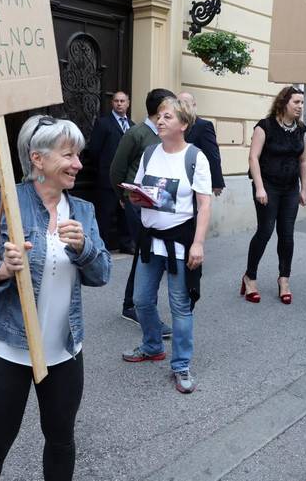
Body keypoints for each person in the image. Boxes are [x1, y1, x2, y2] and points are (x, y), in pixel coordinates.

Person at [0, 115, 111, 481]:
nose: (77, 163)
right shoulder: (2, 201)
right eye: (68, 154)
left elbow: (103, 273)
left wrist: (85, 248)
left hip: (64, 352)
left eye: (78, 155)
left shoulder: (84, 212)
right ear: (37, 159)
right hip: (6, 350)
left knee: (61, 442)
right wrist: (1, 271)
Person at [121, 97, 212, 394]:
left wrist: (198, 243)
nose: (160, 121)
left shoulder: (195, 158)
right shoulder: (149, 153)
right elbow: (140, 189)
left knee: (180, 306)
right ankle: (152, 346)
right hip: (150, 240)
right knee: (141, 300)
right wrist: (136, 196)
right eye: (159, 116)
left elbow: (204, 204)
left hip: (180, 242)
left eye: (168, 117)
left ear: (183, 124)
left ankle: (181, 364)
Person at [109, 88, 175, 335]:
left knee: (143, 254)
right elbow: (116, 169)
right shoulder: (136, 133)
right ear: (159, 109)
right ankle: (144, 310)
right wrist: (123, 198)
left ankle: (132, 305)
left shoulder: (165, 134)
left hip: (159, 204)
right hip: (137, 203)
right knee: (149, 255)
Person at [241, 86, 306, 304]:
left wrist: (304, 188)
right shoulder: (265, 126)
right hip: (268, 185)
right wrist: (259, 187)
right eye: (296, 102)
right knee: (265, 230)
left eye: (301, 103)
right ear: (284, 103)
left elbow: (303, 160)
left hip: (290, 188)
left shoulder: (300, 129)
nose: (300, 107)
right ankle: (250, 277)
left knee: (287, 234)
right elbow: (253, 158)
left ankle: (284, 279)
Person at [88, 91, 134, 253]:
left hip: (127, 180)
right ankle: (102, 247)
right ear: (112, 103)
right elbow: (93, 150)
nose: (119, 104)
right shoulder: (103, 124)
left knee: (125, 214)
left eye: (123, 101)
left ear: (128, 103)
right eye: (116, 101)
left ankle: (126, 244)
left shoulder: (133, 125)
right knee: (105, 215)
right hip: (106, 179)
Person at [178, 92, 226, 196]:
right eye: (179, 103)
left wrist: (216, 182)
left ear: (194, 105)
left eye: (186, 103)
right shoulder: (175, 125)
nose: (182, 106)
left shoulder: (203, 126)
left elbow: (213, 154)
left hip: (197, 179)